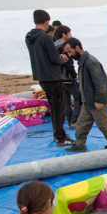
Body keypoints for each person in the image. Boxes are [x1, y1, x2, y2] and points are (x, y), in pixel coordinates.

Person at [62, 38, 107, 152]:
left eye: (69, 51)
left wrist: (99, 99)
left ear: (77, 48)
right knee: (82, 124)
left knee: (103, 124)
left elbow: (100, 82)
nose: (68, 55)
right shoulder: (83, 61)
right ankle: (80, 144)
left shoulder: (90, 62)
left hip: (96, 100)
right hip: (88, 100)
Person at [25, 9, 72, 146]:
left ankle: (57, 133)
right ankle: (60, 137)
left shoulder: (29, 37)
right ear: (47, 22)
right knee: (59, 108)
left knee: (53, 106)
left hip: (41, 76)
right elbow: (53, 58)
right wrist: (62, 58)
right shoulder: (45, 37)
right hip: (52, 76)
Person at [54, 25, 81, 128]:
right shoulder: (64, 47)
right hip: (67, 78)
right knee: (79, 97)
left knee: (66, 102)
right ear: (64, 34)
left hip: (58, 78)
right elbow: (68, 63)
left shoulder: (53, 46)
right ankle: (74, 120)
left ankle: (70, 121)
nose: (70, 35)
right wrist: (74, 76)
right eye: (69, 33)